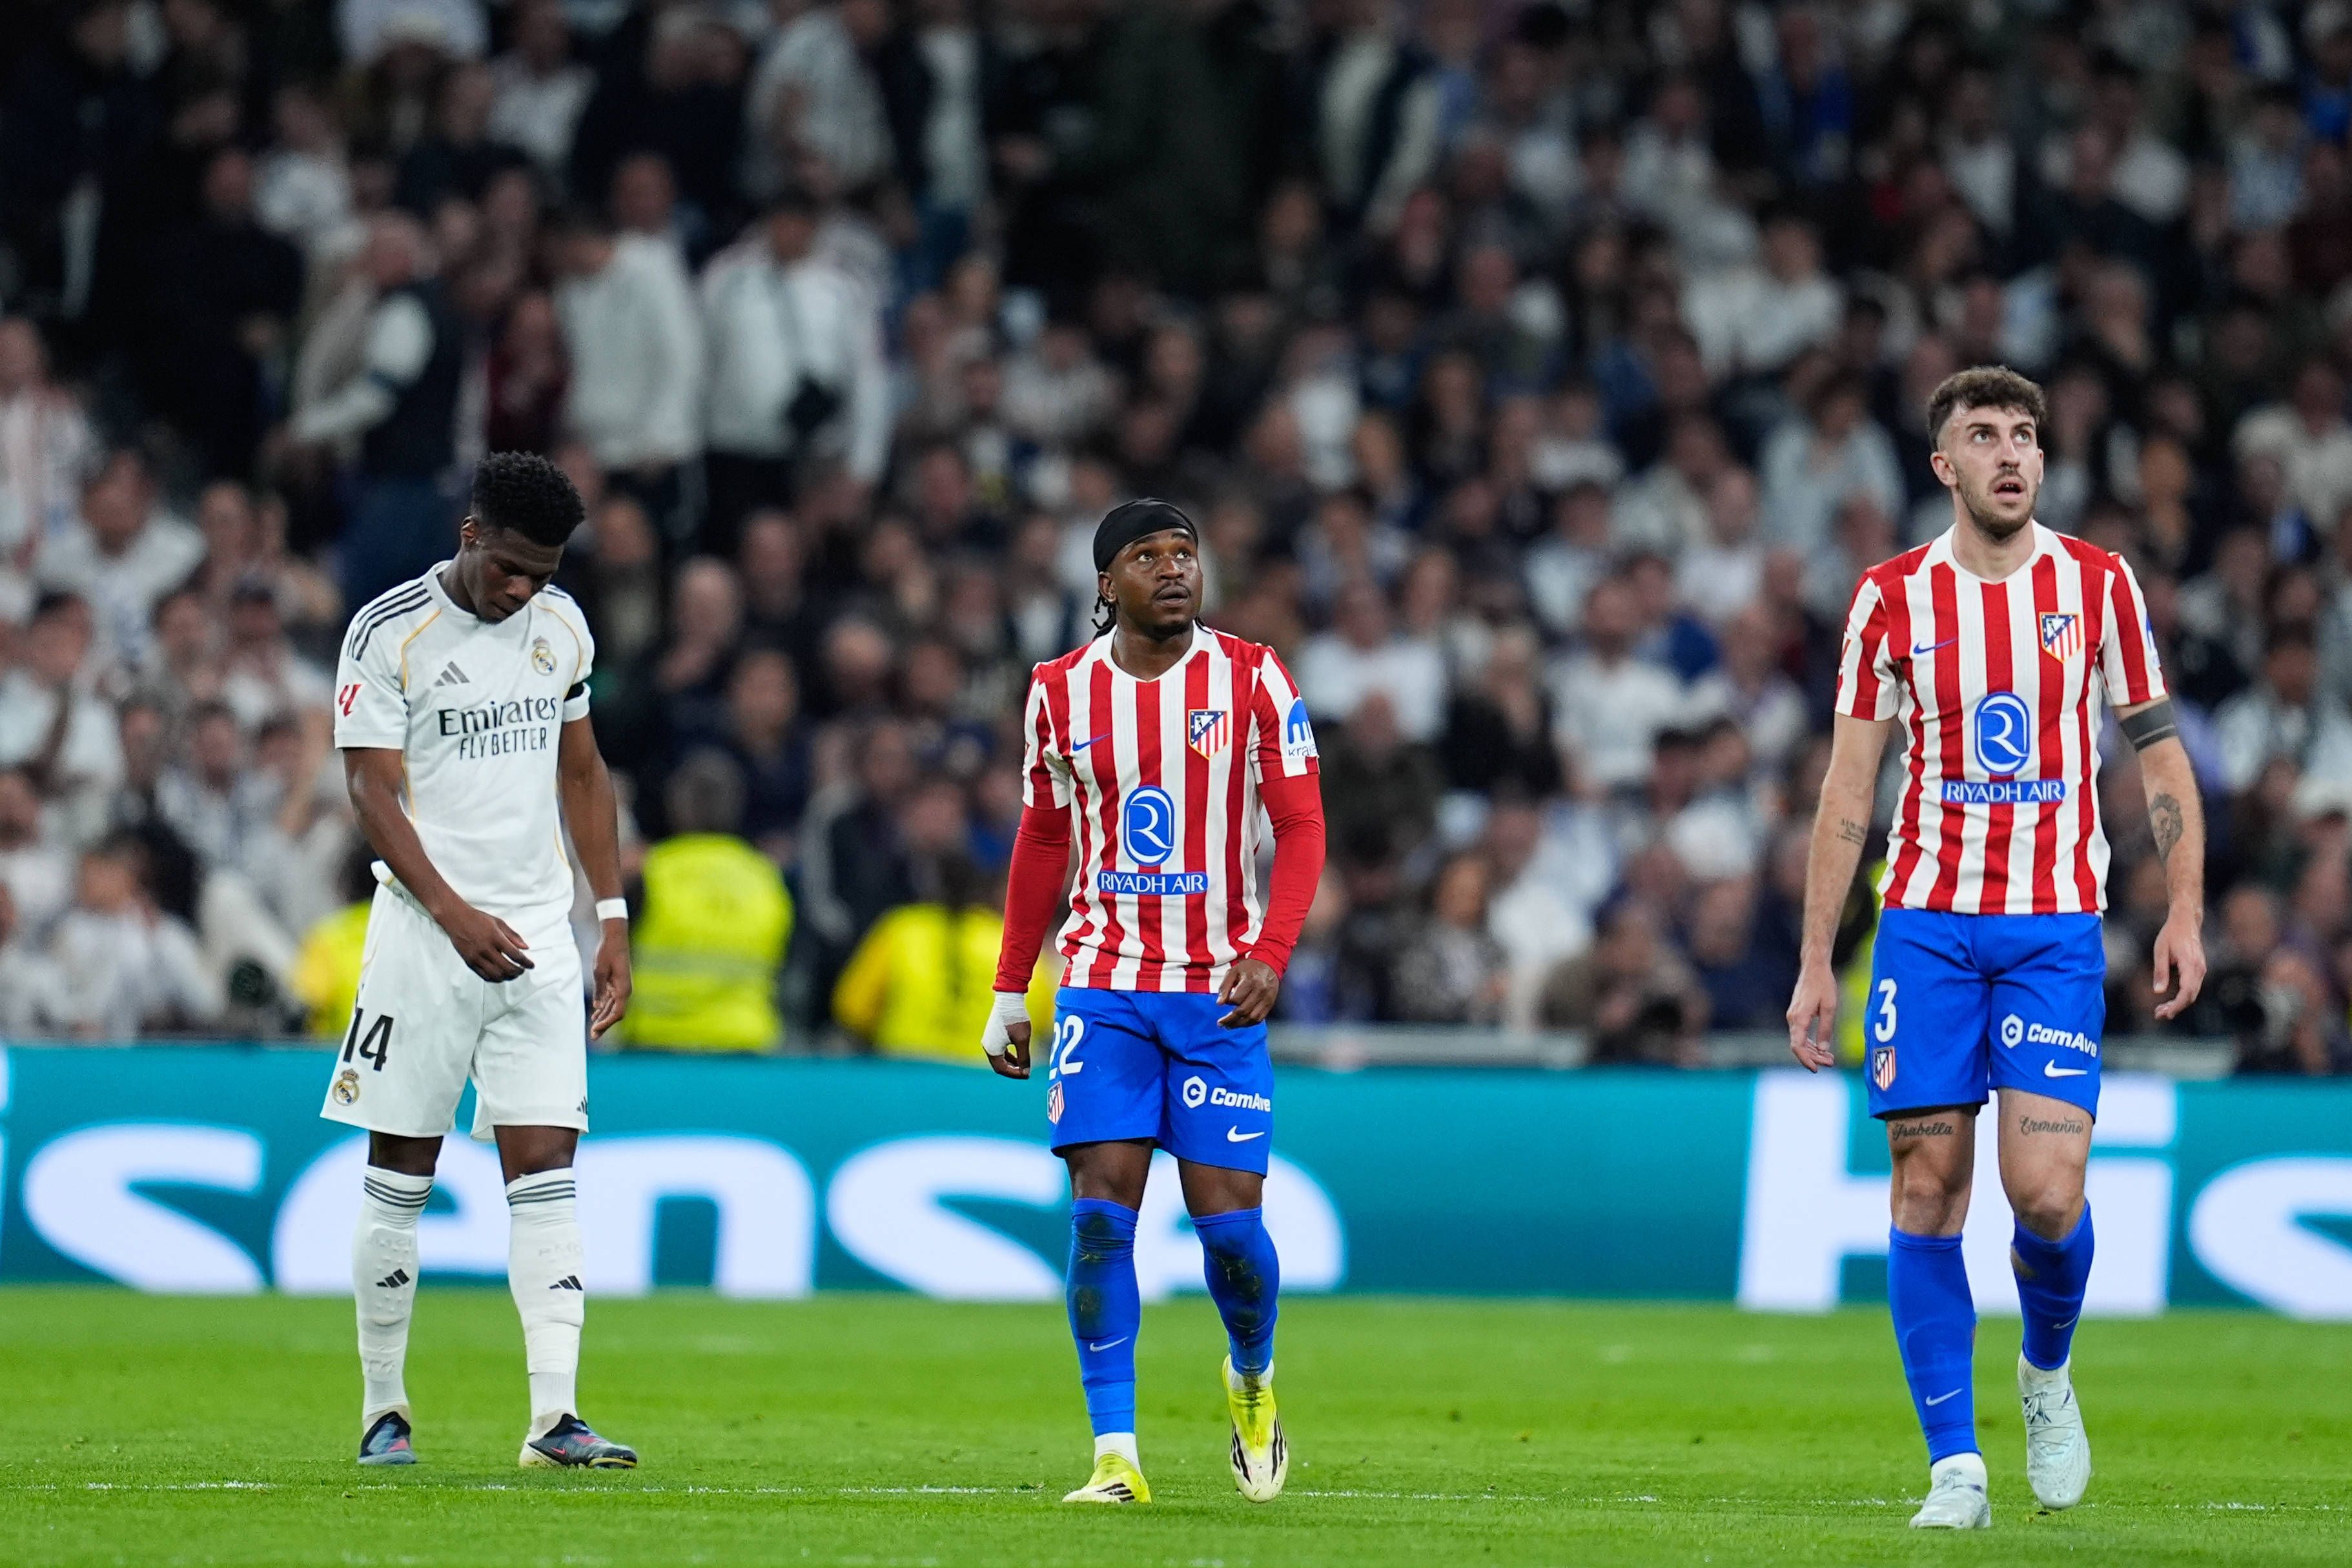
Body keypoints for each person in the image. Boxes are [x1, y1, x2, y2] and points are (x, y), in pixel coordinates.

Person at [1785, 367, 2209, 1529]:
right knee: (1927, 1187)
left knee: (2047, 1193)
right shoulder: (1888, 598)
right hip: (1921, 925)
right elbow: (1845, 789)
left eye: (2024, 434)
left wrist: (2182, 908)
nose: (2010, 452)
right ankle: (1953, 1467)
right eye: (1983, 435)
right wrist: (1819, 954)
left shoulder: (2097, 584)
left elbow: (2159, 757)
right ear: (1944, 467)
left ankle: (2044, 1370)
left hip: (2051, 931)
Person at [981, 498, 1326, 1506]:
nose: (1174, 570)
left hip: (1218, 992)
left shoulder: (1254, 676)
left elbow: (1301, 826)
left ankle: (1251, 1374)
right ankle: (1114, 1455)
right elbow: (1043, 840)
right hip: (1101, 986)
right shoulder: (1057, 691)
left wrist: (1270, 950)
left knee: (1228, 1237)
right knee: (1099, 1224)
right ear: (1104, 584)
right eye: (1147, 556)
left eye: (1185, 553)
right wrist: (1012, 986)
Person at [323, 451, 637, 1470]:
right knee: (400, 1167)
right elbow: (371, 793)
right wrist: (453, 913)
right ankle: (384, 1408)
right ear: (468, 537)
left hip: (541, 937)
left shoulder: (563, 627)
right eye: (509, 568)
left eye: (541, 574)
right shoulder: (386, 632)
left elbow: (582, 771)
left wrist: (612, 919)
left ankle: (554, 1420)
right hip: (424, 936)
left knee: (546, 1164)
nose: (523, 591)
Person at [622, 749, 793, 1052]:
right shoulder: (766, 876)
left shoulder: (650, 871)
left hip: (656, 1045)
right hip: (745, 1043)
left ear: (678, 807)